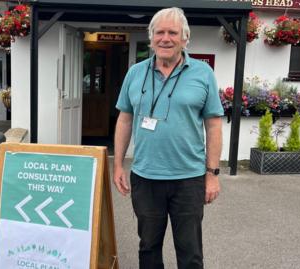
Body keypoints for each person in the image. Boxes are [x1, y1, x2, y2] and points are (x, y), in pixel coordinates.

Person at [113, 7, 223, 269]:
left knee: (190, 251)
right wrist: (117, 164)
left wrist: (212, 174)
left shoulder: (203, 73)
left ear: (185, 38)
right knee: (148, 247)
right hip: (146, 176)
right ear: (151, 38)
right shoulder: (135, 73)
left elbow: (214, 125)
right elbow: (125, 119)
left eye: (172, 32)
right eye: (159, 32)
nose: (165, 38)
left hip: (189, 178)